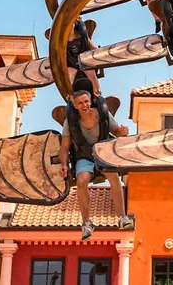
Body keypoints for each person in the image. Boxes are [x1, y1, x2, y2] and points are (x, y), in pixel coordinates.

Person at [58, 79, 130, 240]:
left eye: (86, 101)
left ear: (91, 101)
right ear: (75, 106)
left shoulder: (102, 113)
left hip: (103, 153)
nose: (84, 105)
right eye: (80, 103)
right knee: (82, 181)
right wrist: (64, 165)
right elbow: (64, 146)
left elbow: (116, 131)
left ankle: (122, 217)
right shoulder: (70, 121)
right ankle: (86, 223)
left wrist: (122, 131)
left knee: (113, 175)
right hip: (84, 156)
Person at [66, 19, 102, 97]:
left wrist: (97, 51)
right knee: (69, 76)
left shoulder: (81, 34)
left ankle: (97, 95)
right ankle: (71, 97)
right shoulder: (62, 40)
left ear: (74, 24)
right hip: (71, 63)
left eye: (70, 25)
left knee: (91, 73)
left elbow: (91, 45)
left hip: (84, 60)